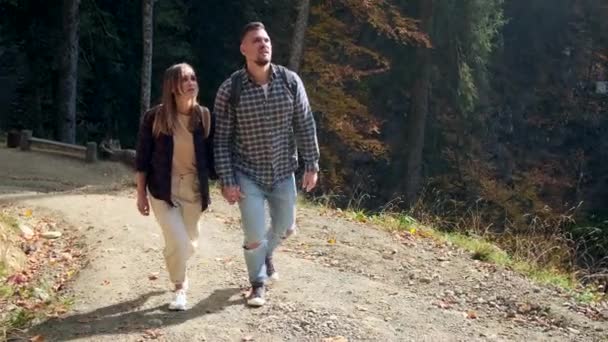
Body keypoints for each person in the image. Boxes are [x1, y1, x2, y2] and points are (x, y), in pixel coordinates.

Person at [213, 22, 320, 307]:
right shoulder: (230, 89)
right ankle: (257, 283)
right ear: (244, 49)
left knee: (286, 227)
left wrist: (311, 164)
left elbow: (305, 124)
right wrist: (228, 180)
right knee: (253, 233)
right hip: (247, 172)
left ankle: (266, 254)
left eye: (267, 39)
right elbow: (221, 139)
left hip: (284, 170)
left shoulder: (290, 81)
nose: (264, 44)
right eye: (256, 41)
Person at [135, 62, 216, 311]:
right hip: (162, 190)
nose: (191, 83)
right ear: (172, 87)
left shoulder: (203, 116)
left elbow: (212, 156)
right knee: (179, 242)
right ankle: (180, 287)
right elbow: (142, 158)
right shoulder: (155, 117)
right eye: (184, 80)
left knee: (188, 243)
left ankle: (174, 256)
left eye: (193, 78)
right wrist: (140, 195)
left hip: (193, 189)